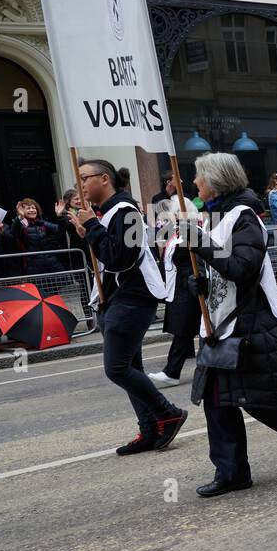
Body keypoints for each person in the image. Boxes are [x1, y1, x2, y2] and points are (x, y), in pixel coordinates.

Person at [183, 152, 277, 497]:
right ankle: (232, 471)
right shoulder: (217, 216)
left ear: (217, 180)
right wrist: (202, 286)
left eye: (199, 177)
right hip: (223, 326)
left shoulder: (244, 217)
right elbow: (227, 275)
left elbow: (242, 267)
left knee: (261, 401)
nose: (194, 183)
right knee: (218, 400)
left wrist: (203, 245)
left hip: (251, 324)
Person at [72, 158, 187, 455]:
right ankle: (149, 429)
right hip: (116, 298)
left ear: (104, 179)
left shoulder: (128, 211)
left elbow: (120, 258)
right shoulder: (106, 213)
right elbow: (104, 257)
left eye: (84, 178)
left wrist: (93, 227)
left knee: (117, 368)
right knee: (130, 366)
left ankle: (168, 412)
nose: (80, 185)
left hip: (133, 298)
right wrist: (89, 233)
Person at [148, 175, 201, 388]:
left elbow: (196, 257)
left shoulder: (192, 231)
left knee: (183, 329)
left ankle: (172, 371)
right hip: (178, 285)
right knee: (186, 329)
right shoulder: (176, 232)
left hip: (189, 285)